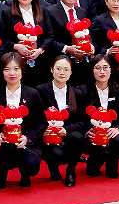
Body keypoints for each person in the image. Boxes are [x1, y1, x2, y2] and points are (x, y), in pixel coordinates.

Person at [0, 52, 45, 188]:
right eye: (7, 69)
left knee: (32, 165)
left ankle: (25, 173)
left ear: (22, 70)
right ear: (2, 72)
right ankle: (2, 173)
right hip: (3, 143)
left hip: (26, 142)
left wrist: (28, 138)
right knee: (5, 149)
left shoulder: (32, 93)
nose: (12, 73)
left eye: (16, 69)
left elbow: (42, 122)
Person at [36, 55, 87, 185]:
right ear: (51, 69)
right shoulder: (40, 90)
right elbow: (36, 117)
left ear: (71, 72)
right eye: (58, 69)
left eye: (66, 69)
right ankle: (53, 167)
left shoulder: (77, 93)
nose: (62, 72)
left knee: (78, 138)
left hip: (68, 134)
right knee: (56, 154)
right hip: (49, 136)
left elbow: (81, 121)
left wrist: (66, 130)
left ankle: (71, 170)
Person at [76, 55, 119, 178]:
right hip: (93, 134)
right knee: (92, 173)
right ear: (92, 70)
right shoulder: (84, 91)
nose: (102, 72)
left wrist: (118, 128)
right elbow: (80, 117)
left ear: (111, 70)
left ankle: (112, 165)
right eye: (98, 68)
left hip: (110, 132)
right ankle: (94, 161)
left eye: (105, 68)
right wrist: (87, 132)